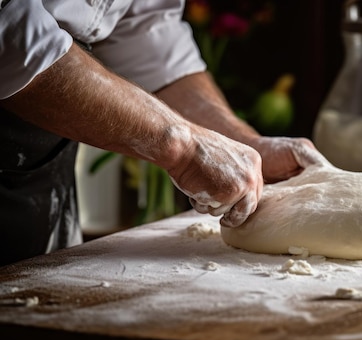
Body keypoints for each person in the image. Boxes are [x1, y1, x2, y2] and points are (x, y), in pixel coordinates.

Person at [0, 0, 324, 266]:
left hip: (39, 172)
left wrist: (244, 141)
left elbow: (145, 32)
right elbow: (11, 37)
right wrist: (183, 148)